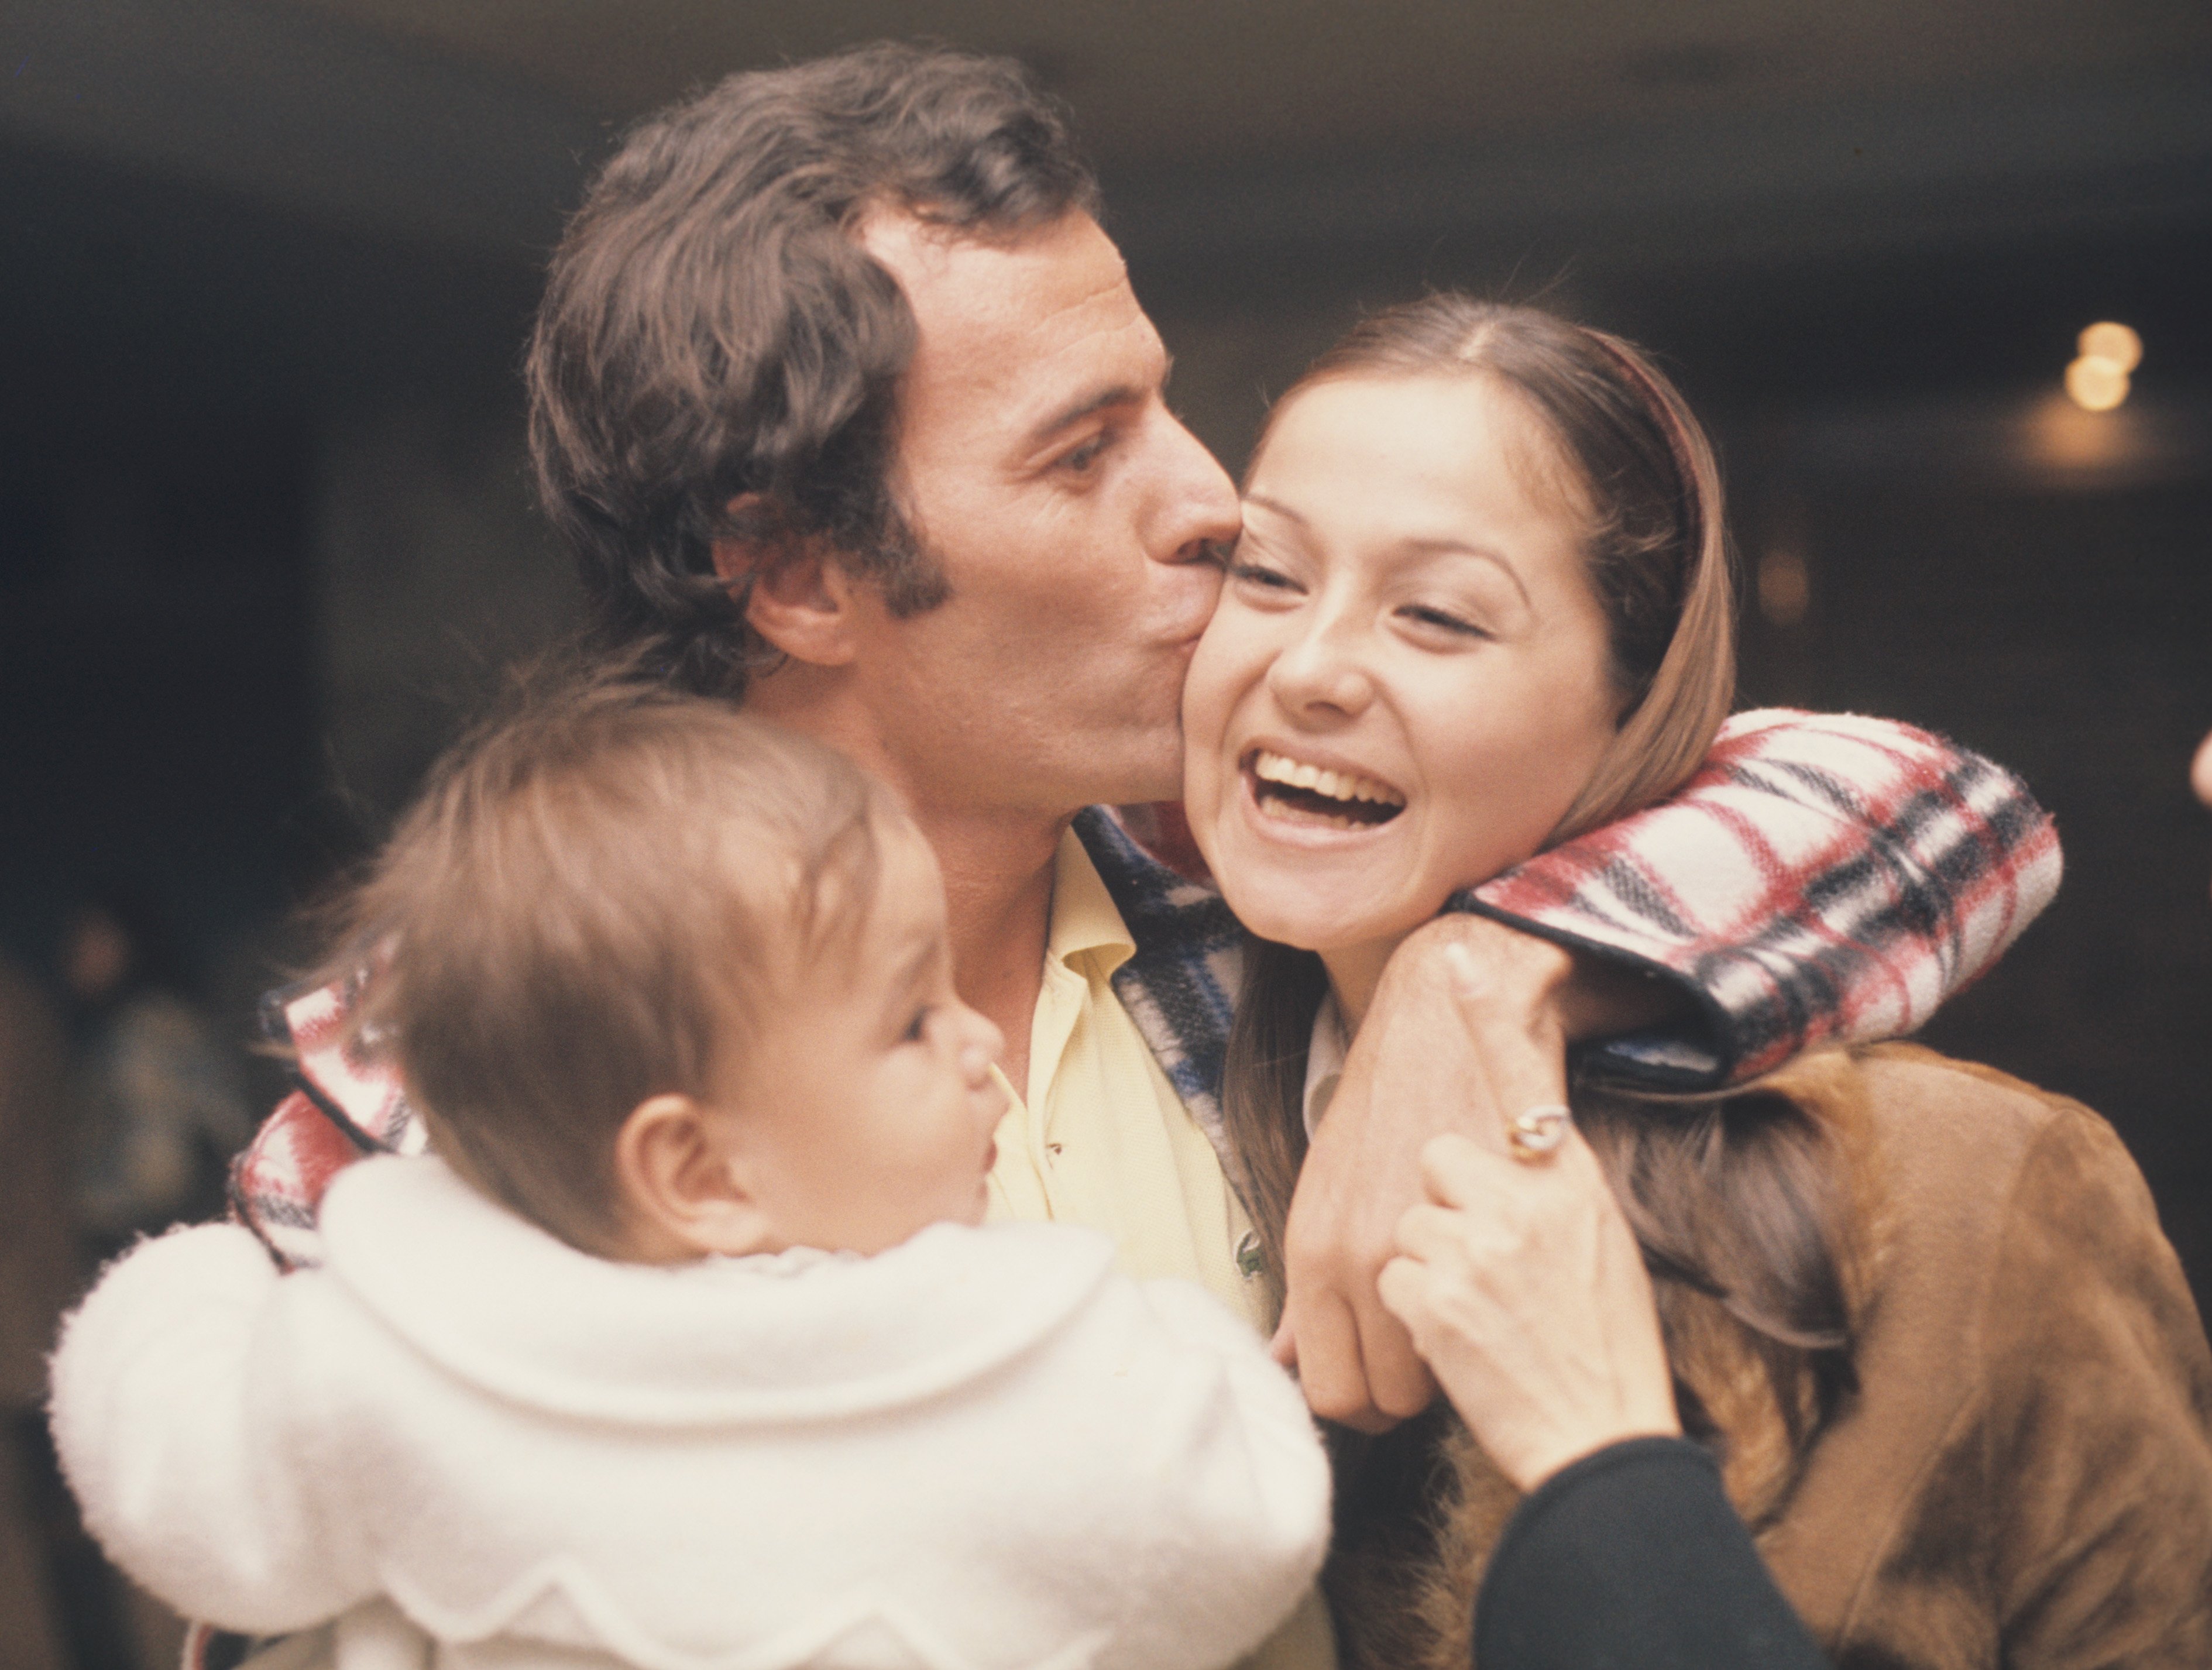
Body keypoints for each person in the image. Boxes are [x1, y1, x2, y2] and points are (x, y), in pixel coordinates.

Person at [211, 44, 2060, 1670]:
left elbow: (1933, 804)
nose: (1209, 498)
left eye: (1161, 403)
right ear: (790, 571)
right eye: (1084, 454)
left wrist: (1482, 971)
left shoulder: (1246, 901)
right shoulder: (454, 1103)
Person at [1179, 294, 2212, 1668]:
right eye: (1265, 573)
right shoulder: (1144, 1077)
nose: (1308, 667)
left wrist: (1475, 972)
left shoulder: (1964, 1186)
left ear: (1636, 701)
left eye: (1436, 614)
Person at [52, 676, 1331, 1670]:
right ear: (699, 1167)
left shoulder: (396, 1365)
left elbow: (165, 1461)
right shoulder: (1022, 1371)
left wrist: (194, 1284)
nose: (979, 1038)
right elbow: (1249, 1530)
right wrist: (1184, 1335)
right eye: (910, 1022)